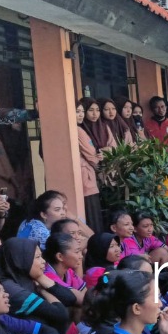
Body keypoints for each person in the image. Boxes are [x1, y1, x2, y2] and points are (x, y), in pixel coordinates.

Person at [75, 99, 105, 233]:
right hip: (87, 179)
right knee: (93, 219)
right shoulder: (79, 131)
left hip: (82, 178)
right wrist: (100, 166)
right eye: (77, 111)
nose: (81, 115)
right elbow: (92, 156)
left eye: (82, 111)